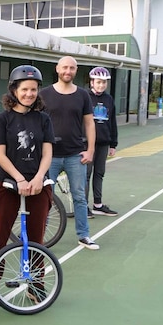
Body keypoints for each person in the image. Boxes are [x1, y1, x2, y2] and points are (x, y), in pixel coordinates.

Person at [0, 65, 55, 266]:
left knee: (37, 239)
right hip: (8, 183)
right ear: (14, 91)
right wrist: (19, 179)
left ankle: (36, 286)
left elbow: (47, 152)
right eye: (24, 89)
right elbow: (0, 154)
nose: (29, 94)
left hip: (37, 184)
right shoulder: (2, 119)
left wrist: (38, 178)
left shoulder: (43, 119)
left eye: (33, 89)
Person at [40, 56, 99, 250]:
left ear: (76, 70)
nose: (68, 71)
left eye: (72, 68)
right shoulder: (44, 94)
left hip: (75, 154)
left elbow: (89, 123)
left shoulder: (82, 95)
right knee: (46, 197)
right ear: (57, 69)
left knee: (79, 197)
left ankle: (84, 235)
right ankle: (40, 237)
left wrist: (90, 150)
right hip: (50, 156)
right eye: (65, 67)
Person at [87, 66, 119, 217]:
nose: (101, 85)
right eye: (98, 82)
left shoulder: (109, 99)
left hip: (103, 143)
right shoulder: (85, 97)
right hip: (86, 144)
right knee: (85, 174)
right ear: (92, 82)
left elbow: (112, 122)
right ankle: (82, 206)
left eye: (104, 83)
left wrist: (113, 144)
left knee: (99, 173)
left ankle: (97, 205)